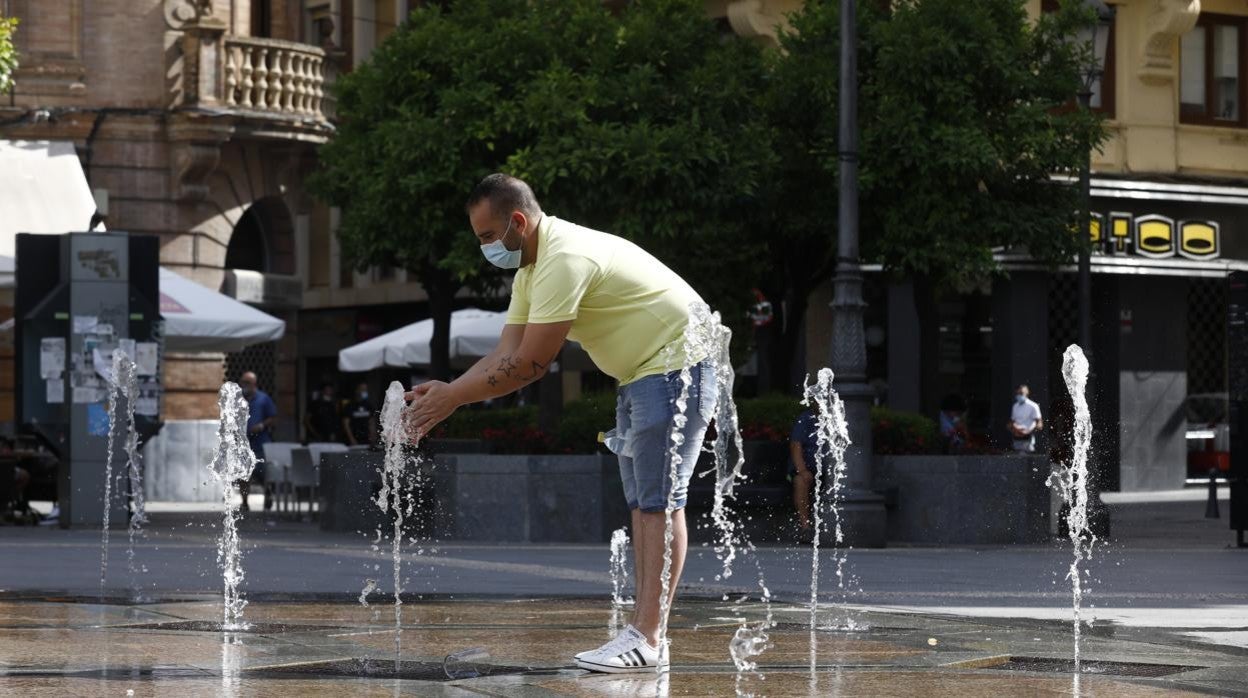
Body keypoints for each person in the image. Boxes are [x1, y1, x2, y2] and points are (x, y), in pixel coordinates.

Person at [406, 174, 715, 674]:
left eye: (488, 236)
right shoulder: (532, 270)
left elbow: (530, 365)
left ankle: (648, 637)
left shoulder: (563, 258)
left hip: (677, 367)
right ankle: (643, 632)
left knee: (659, 501)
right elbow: (505, 352)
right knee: (643, 504)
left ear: (519, 222)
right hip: (644, 373)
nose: (485, 247)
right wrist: (448, 393)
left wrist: (453, 398)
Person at [238, 371, 277, 512]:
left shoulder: (263, 399)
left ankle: (268, 495)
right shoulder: (239, 399)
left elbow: (273, 417)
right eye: (242, 382)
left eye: (246, 383)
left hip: (260, 443)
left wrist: (261, 425)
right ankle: (244, 502)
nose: (243, 385)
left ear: (254, 384)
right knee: (243, 475)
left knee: (263, 473)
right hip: (243, 444)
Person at [788, 409, 817, 542]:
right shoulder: (806, 418)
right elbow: (796, 445)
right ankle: (805, 528)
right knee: (801, 481)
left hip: (829, 470)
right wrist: (802, 470)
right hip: (808, 468)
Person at [1008, 384, 1043, 453]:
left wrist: (1027, 431)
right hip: (1016, 440)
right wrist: (1015, 429)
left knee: (1028, 460)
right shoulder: (1015, 406)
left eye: (1021, 393)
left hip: (1029, 440)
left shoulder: (1033, 406)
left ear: (1027, 393)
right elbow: (1011, 422)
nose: (1019, 395)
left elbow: (1039, 424)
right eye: (1017, 393)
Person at [343, 382, 376, 447]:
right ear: (357, 390)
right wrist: (351, 439)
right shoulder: (349, 406)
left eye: (365, 390)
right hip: (354, 439)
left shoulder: (368, 405)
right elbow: (346, 424)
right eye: (362, 389)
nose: (364, 392)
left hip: (366, 439)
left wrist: (373, 435)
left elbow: (371, 422)